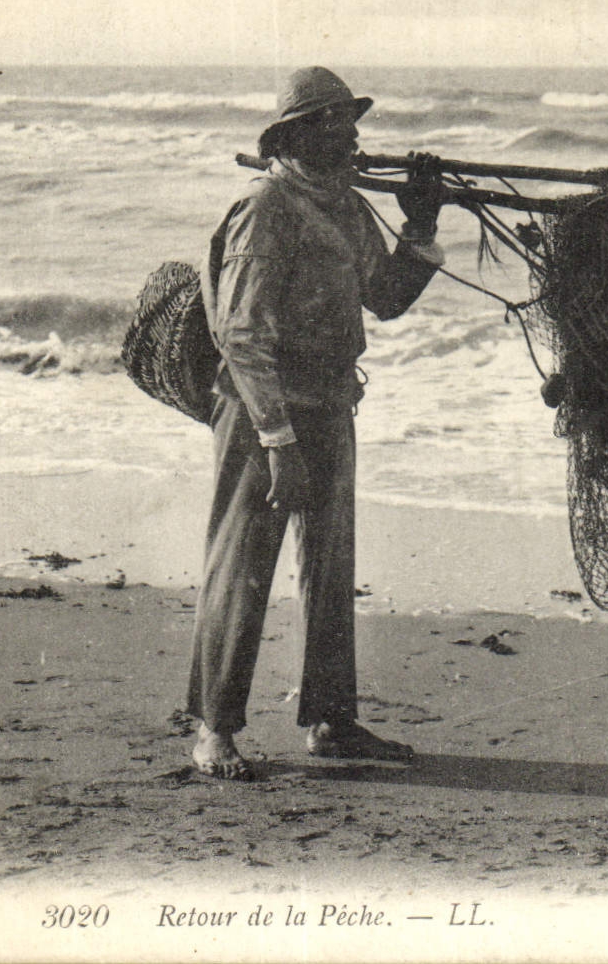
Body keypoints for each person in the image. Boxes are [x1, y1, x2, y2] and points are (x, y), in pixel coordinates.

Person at [186, 67, 446, 780]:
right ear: (299, 133)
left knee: (332, 566)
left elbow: (386, 298)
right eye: (339, 120)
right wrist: (276, 441)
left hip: (331, 402)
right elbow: (241, 334)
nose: (356, 133)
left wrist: (421, 224)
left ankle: (332, 719)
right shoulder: (266, 206)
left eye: (353, 119)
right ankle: (213, 727)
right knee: (243, 563)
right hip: (261, 408)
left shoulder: (343, 205)